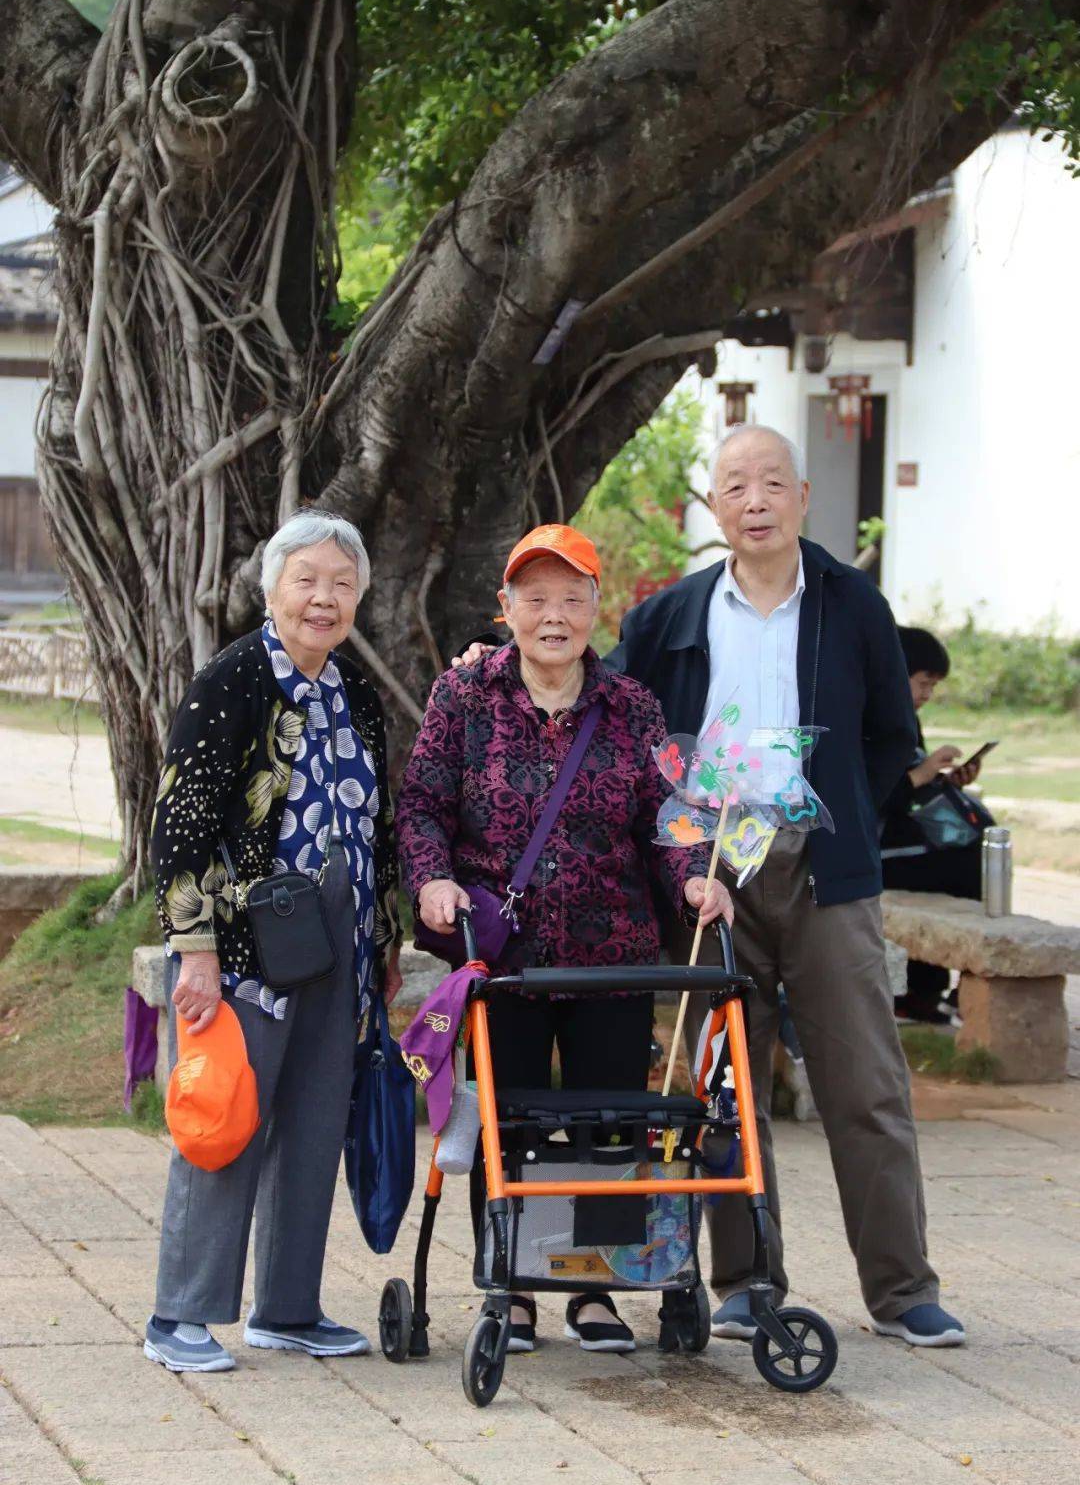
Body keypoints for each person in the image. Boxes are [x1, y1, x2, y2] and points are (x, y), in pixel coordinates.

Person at [455, 427, 966, 1349]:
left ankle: (902, 1289)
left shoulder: (853, 603)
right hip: (708, 874)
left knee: (866, 1083)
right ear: (715, 507)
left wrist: (840, 806)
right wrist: (484, 662)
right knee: (722, 1086)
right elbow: (594, 698)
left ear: (803, 496)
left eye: (772, 483)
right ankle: (744, 1281)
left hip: (823, 870)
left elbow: (894, 735)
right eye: (736, 486)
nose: (755, 501)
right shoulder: (672, 614)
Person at [397, 524, 732, 1354]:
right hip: (504, 958)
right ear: (505, 608)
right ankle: (510, 1288)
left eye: (572, 599)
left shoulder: (632, 706)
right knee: (504, 1120)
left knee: (608, 1122)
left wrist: (693, 876)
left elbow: (668, 816)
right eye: (537, 598)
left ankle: (593, 1287)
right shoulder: (463, 695)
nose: (555, 616)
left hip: (611, 955)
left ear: (595, 608)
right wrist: (432, 879)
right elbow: (423, 806)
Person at [144, 513, 402, 1374]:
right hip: (245, 940)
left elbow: (378, 827)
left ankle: (287, 1309)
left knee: (316, 1123)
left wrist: (384, 943)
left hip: (341, 935)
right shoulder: (231, 681)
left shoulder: (355, 689)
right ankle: (180, 1315)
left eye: (342, 584)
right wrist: (195, 949)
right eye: (307, 580)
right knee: (226, 1114)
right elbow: (180, 824)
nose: (324, 599)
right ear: (271, 590)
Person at [881, 626, 985, 1023]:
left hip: (901, 836)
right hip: (875, 846)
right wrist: (923, 773)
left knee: (976, 840)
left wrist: (947, 781)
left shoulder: (906, 717)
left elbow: (909, 788)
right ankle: (937, 990)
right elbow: (871, 796)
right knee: (965, 860)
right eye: (924, 683)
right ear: (897, 673)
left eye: (934, 686)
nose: (928, 694)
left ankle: (932, 990)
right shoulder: (873, 718)